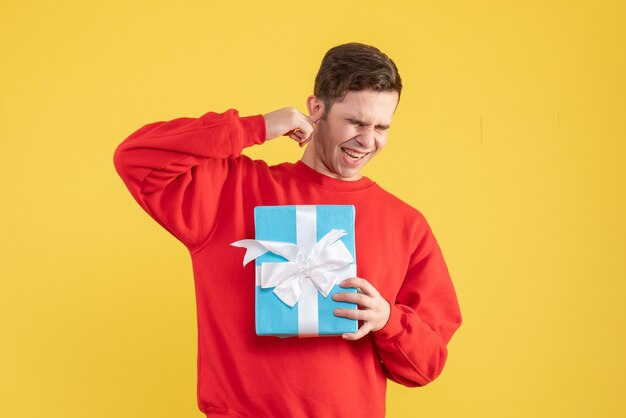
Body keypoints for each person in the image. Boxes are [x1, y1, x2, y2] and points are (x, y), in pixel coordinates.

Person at [113, 42, 462, 418]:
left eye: (381, 127)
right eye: (356, 122)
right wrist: (255, 127)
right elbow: (136, 157)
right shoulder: (229, 191)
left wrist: (387, 320)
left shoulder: (406, 224)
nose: (368, 140)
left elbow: (426, 366)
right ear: (316, 110)